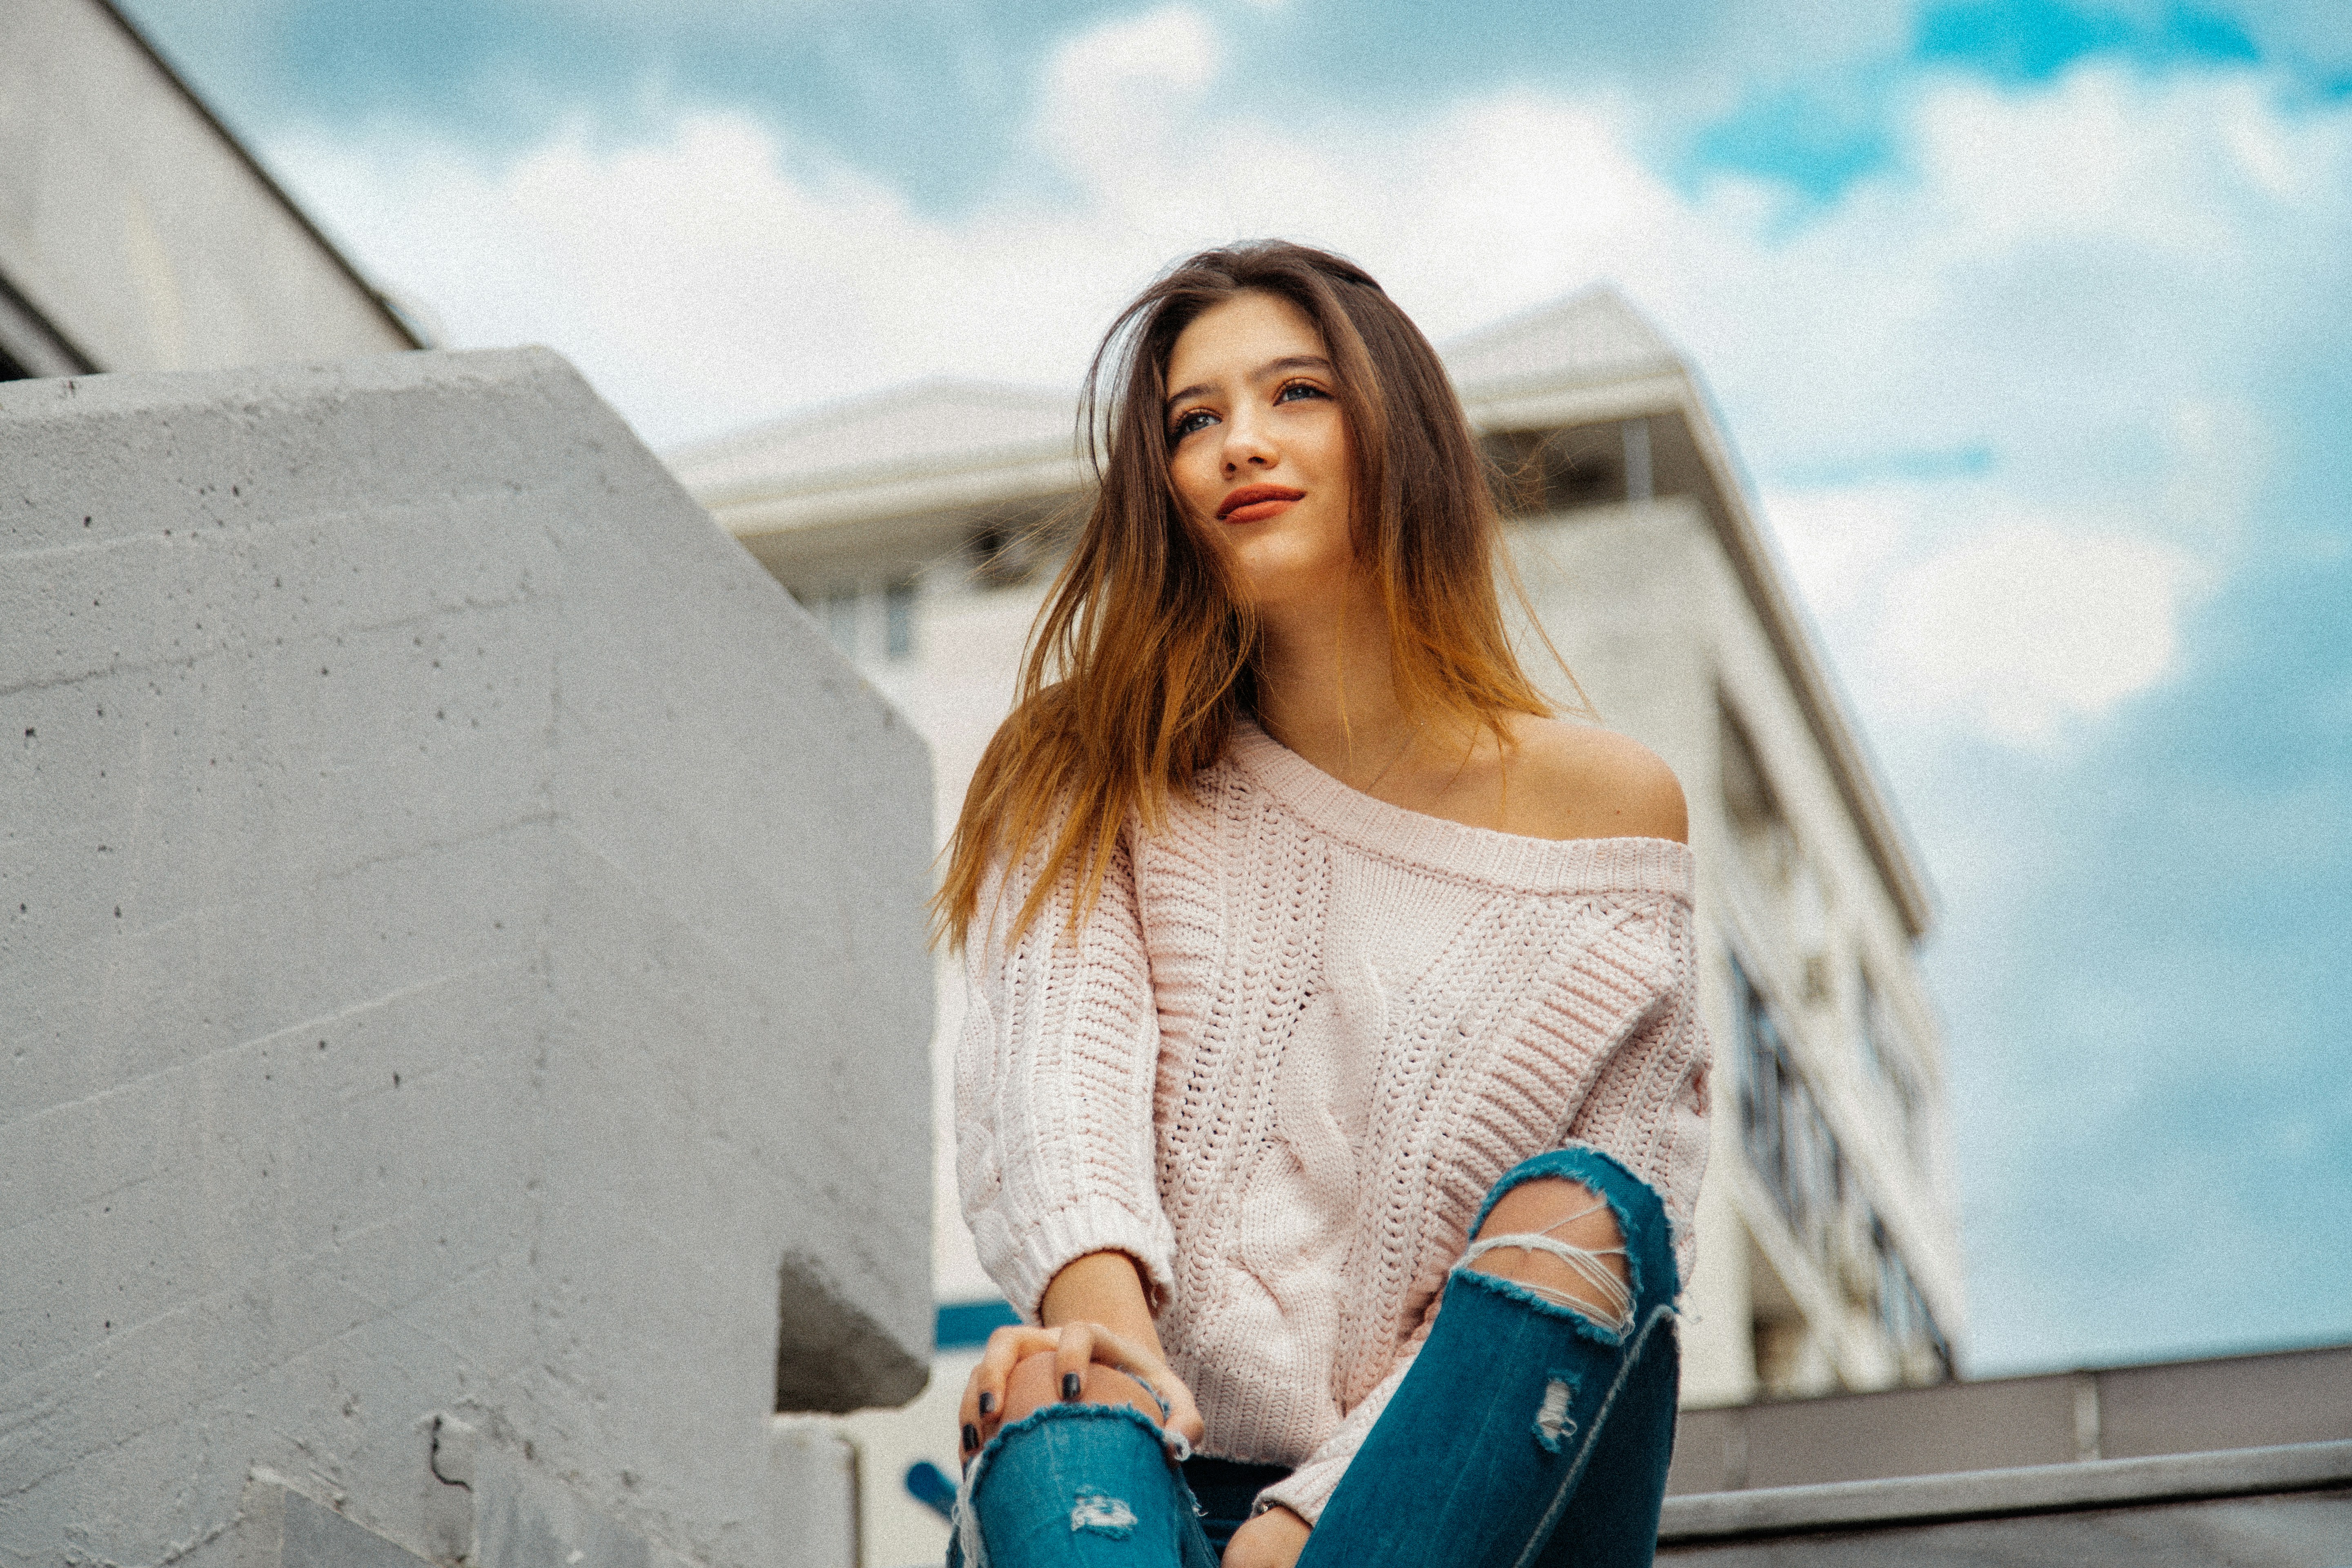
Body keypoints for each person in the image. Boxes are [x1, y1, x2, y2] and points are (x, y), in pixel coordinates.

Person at [937, 241, 1709, 1568]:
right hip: (1150, 1493)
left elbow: (1617, 1235)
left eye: (1296, 394)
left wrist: (1302, 1530)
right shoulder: (1093, 763)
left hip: (1447, 1507)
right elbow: (1061, 1093)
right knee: (1052, 1396)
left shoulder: (1612, 814)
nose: (1241, 443)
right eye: (1195, 420)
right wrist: (1102, 1351)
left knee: (1592, 1211)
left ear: (1395, 432)